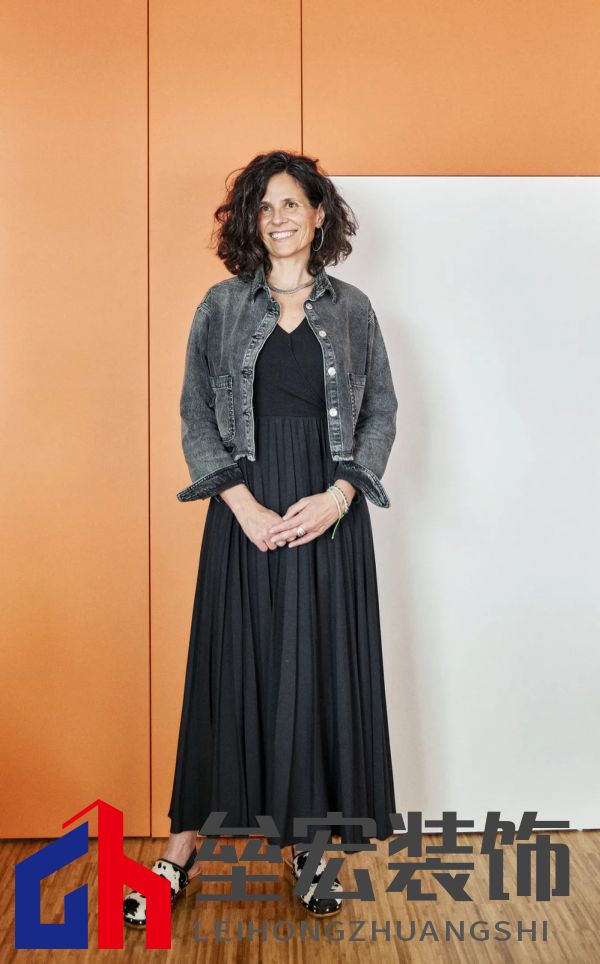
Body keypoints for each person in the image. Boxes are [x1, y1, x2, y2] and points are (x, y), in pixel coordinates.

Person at [124, 150, 398, 926]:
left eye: (292, 204)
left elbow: (380, 412)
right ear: (252, 220)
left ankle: (308, 850)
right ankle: (179, 855)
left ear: (319, 215)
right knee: (228, 673)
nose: (278, 218)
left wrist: (341, 495)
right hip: (244, 509)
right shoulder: (220, 307)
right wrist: (239, 504)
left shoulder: (354, 310)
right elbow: (195, 414)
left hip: (327, 515)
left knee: (316, 676)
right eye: (264, 206)